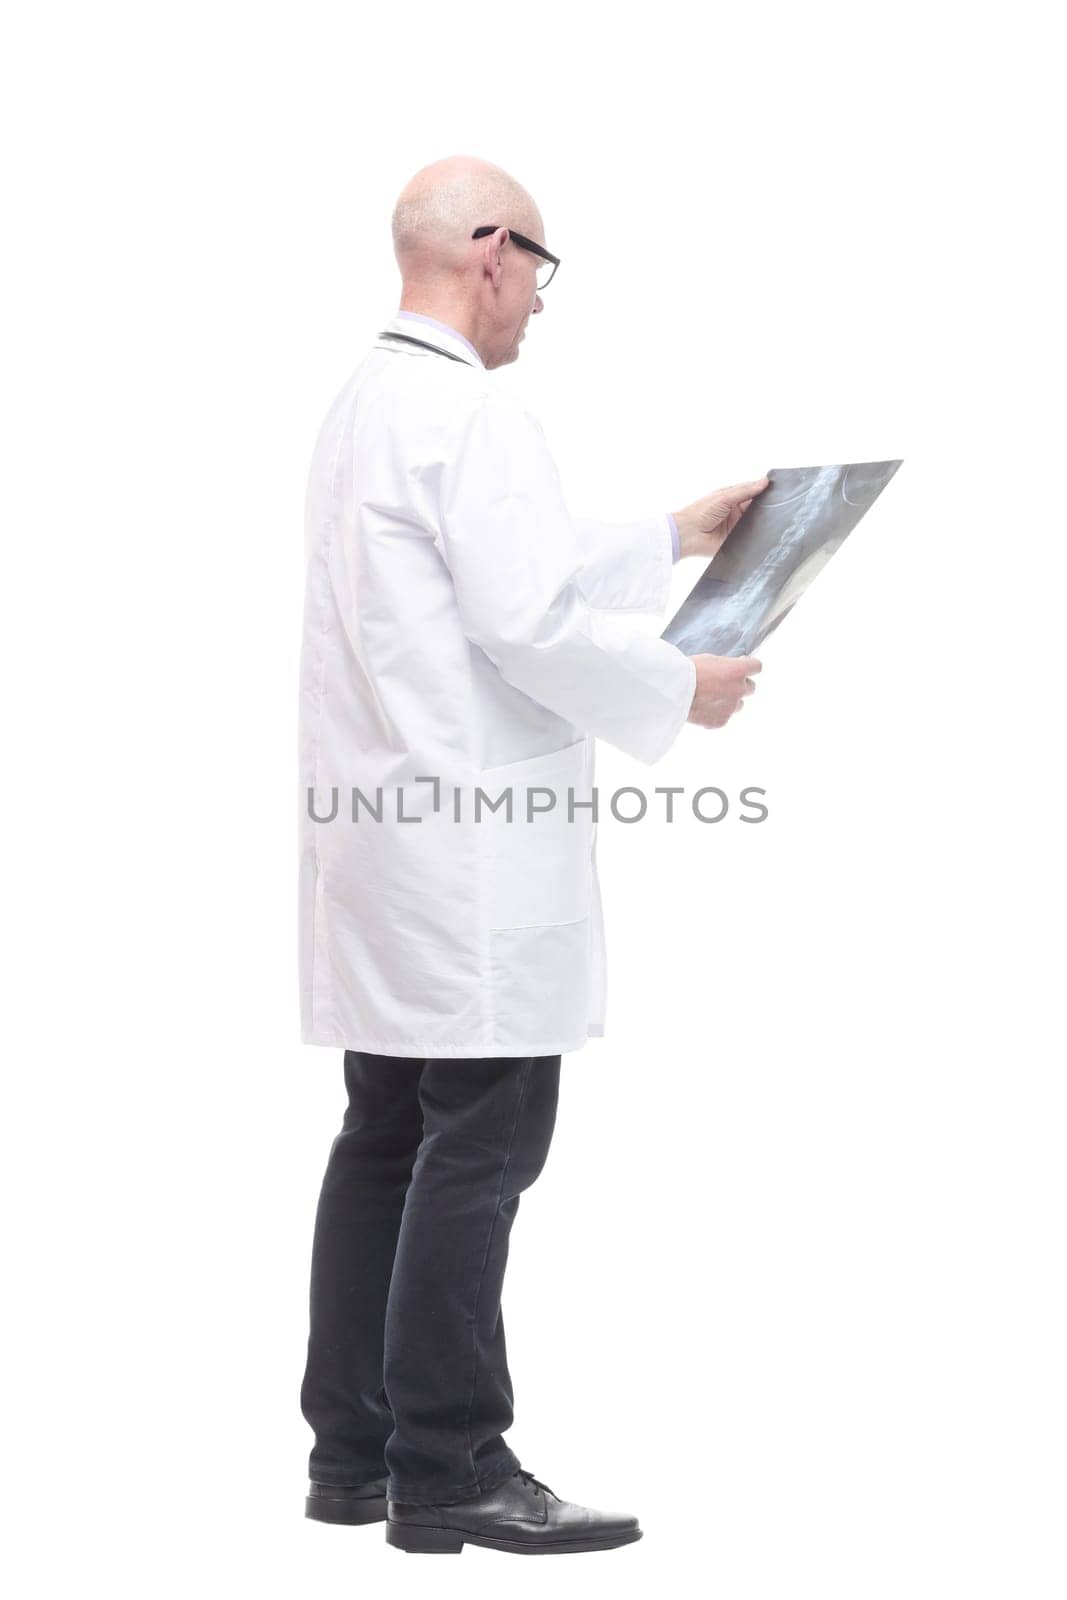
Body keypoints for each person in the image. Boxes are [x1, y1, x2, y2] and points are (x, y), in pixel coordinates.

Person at [297, 154, 767, 1556]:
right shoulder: (470, 410)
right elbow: (523, 623)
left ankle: (355, 1455)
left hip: (385, 851)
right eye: (542, 273)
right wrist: (680, 688)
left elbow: (500, 567)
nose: (541, 308)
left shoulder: (365, 407)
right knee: (482, 1146)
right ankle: (452, 1464)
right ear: (492, 251)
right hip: (471, 866)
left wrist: (671, 537)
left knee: (386, 1133)